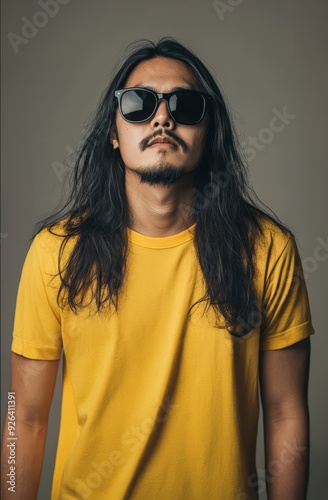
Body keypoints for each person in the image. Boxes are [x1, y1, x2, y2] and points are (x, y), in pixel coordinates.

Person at [1, 37, 314, 500]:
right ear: (114, 131)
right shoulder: (55, 254)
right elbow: (20, 417)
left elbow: (287, 411)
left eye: (185, 106)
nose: (162, 117)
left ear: (209, 134)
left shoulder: (268, 250)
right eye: (138, 104)